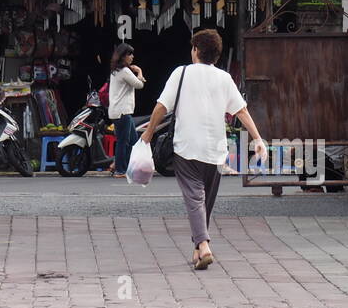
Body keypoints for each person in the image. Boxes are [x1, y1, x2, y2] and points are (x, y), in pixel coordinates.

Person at [141, 29, 266, 271]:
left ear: (196, 50)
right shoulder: (224, 78)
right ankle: (198, 250)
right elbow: (241, 111)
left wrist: (147, 133)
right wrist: (258, 138)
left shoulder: (182, 73)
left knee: (195, 198)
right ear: (217, 55)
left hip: (187, 148)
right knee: (204, 201)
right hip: (216, 150)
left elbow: (161, 106)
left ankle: (204, 244)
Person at [107, 43, 144, 179]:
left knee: (133, 141)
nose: (132, 57)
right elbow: (139, 84)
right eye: (130, 54)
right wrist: (139, 71)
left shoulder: (116, 71)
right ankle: (120, 170)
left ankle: (122, 165)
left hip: (118, 111)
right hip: (122, 112)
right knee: (123, 141)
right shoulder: (125, 72)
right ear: (123, 56)